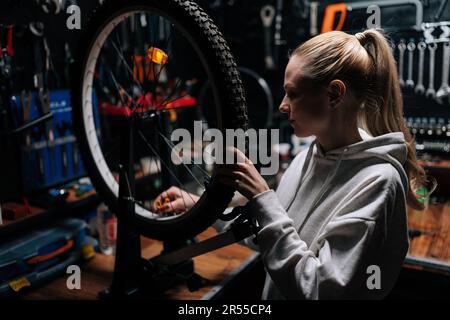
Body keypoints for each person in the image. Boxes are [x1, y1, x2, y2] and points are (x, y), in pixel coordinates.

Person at [152, 29, 427, 299]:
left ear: (334, 94)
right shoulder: (307, 157)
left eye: (292, 93)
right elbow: (269, 236)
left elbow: (316, 288)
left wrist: (263, 197)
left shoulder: (378, 181)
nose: (283, 106)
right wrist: (202, 206)